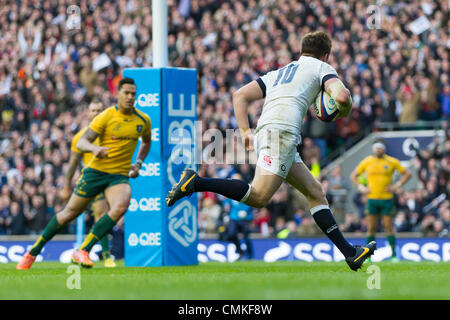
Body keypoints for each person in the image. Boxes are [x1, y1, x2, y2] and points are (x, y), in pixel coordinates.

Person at [167, 31, 376, 271]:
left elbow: (240, 95)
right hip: (283, 134)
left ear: (302, 50)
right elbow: (342, 95)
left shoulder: (279, 73)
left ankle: (350, 253)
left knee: (316, 192)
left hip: (267, 130)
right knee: (258, 197)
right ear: (325, 55)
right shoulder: (322, 68)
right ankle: (197, 182)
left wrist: (245, 131)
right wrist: (346, 109)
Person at [17, 78, 152, 269]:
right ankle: (33, 252)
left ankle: (84, 250)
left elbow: (146, 142)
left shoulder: (143, 120)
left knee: (121, 205)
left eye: (133, 94)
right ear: (118, 94)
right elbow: (82, 143)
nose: (130, 97)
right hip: (95, 173)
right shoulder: (105, 117)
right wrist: (94, 149)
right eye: (126, 93)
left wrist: (138, 163)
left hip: (119, 175)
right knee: (68, 214)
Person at [59, 100, 116, 267]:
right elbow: (73, 164)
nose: (96, 113)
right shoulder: (80, 137)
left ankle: (85, 251)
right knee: (101, 213)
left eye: (99, 110)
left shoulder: (111, 134)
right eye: (93, 110)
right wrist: (65, 186)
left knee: (108, 216)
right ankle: (106, 256)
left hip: (112, 179)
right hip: (93, 181)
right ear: (88, 113)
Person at [350, 140, 411, 262]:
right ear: (373, 149)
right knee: (371, 228)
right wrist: (362, 188)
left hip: (387, 199)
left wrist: (397, 186)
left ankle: (394, 255)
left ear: (384, 149)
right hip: (372, 199)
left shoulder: (391, 161)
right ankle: (368, 256)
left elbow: (407, 174)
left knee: (388, 227)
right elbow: (353, 176)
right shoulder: (367, 161)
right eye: (376, 148)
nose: (378, 150)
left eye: (380, 148)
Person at [222, 173, 254, 260]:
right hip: (234, 217)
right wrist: (225, 205)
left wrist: (245, 210)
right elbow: (226, 201)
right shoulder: (229, 191)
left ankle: (250, 255)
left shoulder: (246, 189)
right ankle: (240, 251)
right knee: (231, 234)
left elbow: (251, 201)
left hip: (245, 218)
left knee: (246, 237)